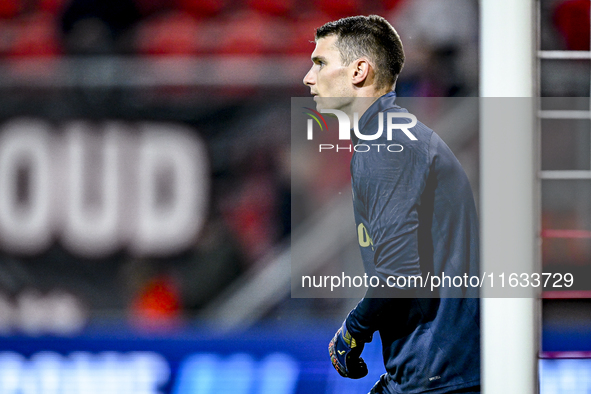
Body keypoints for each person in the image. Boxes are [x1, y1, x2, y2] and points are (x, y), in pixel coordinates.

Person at [302, 15, 481, 394]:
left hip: (439, 374)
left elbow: (399, 272)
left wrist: (353, 331)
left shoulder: (386, 147)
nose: (308, 77)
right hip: (438, 368)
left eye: (319, 63)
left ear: (359, 71)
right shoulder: (393, 136)